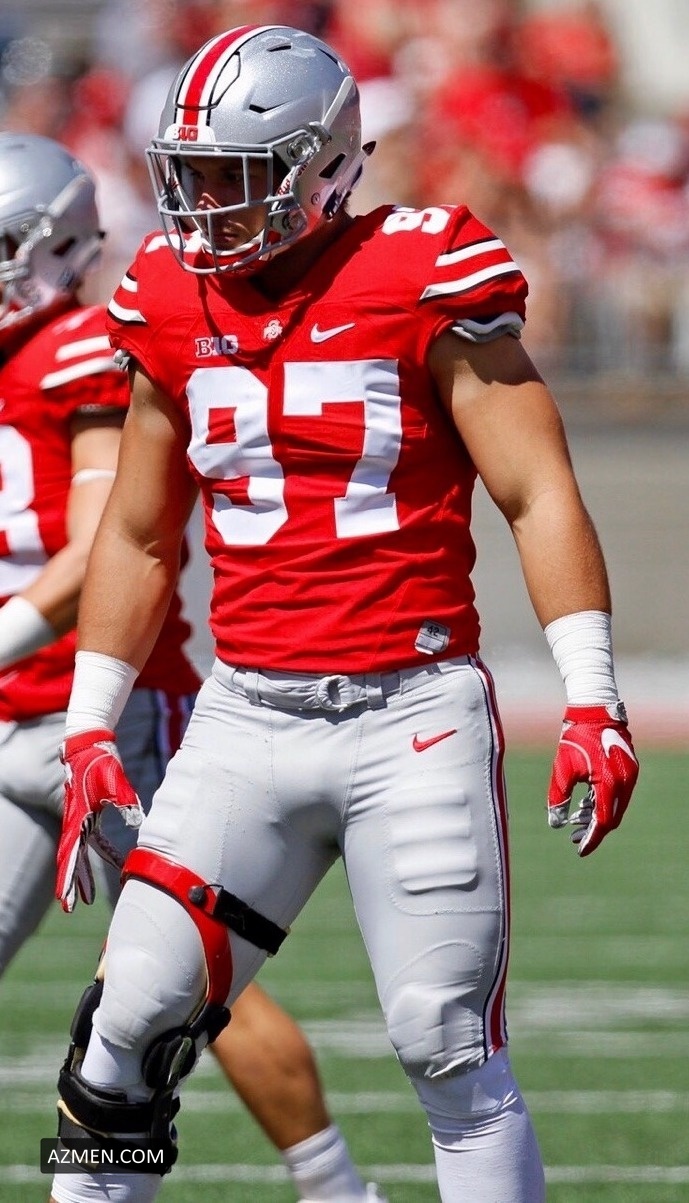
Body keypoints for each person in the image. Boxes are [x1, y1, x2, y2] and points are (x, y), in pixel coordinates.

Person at [49, 23, 640, 1203]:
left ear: (319, 167)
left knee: (445, 1046)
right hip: (244, 717)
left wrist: (591, 696)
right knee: (122, 1033)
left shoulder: (421, 267)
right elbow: (139, 531)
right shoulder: (166, 292)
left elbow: (534, 490)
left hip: (407, 718)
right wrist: (89, 720)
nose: (204, 204)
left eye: (233, 174)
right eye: (189, 173)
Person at [0, 130, 385, 1203]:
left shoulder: (82, 348)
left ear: (56, 243)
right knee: (137, 1007)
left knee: (172, 995)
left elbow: (99, 549)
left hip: (114, 724)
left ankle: (336, 1189)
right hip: (14, 723)